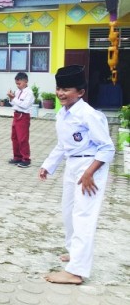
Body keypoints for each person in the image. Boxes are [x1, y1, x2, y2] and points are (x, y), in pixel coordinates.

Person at [38, 65, 115, 285]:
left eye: (66, 89)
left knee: (83, 216)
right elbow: (63, 145)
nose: (61, 93)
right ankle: (74, 252)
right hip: (73, 166)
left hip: (91, 167)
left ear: (80, 92)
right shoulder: (63, 114)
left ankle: (76, 272)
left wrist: (90, 173)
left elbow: (107, 148)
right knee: (69, 211)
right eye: (59, 88)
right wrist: (48, 165)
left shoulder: (89, 115)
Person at [6, 72, 35, 168]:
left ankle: (26, 159)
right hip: (16, 115)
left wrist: (14, 99)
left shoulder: (29, 93)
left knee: (23, 139)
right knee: (14, 137)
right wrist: (11, 98)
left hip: (23, 116)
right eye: (16, 84)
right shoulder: (18, 91)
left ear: (25, 81)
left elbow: (24, 105)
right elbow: (14, 104)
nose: (18, 86)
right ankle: (17, 156)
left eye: (19, 83)